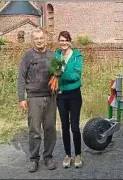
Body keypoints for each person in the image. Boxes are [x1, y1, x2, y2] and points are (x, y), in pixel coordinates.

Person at [17, 28, 57, 172]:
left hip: (51, 97)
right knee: (34, 130)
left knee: (50, 129)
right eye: (36, 39)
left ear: (45, 39)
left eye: (41, 38)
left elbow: (58, 73)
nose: (39, 41)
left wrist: (58, 74)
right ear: (33, 40)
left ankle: (48, 157)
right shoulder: (28, 56)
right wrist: (21, 98)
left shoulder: (53, 55)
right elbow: (21, 77)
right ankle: (34, 159)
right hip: (34, 98)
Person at [54, 31, 84, 168]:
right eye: (61, 40)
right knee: (64, 126)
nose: (63, 43)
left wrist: (61, 74)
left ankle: (78, 154)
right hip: (61, 95)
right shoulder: (56, 55)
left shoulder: (77, 56)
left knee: (75, 126)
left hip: (74, 95)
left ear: (70, 41)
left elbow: (76, 76)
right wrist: (55, 74)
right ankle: (68, 155)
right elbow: (52, 71)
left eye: (65, 40)